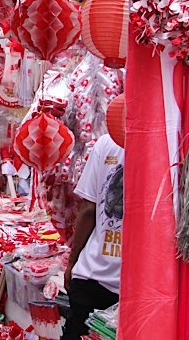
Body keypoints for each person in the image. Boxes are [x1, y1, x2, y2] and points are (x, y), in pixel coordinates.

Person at [62, 133, 124, 340]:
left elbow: (88, 209)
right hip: (133, 284)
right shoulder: (167, 141)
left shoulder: (107, 143)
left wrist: (72, 262)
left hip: (93, 276)